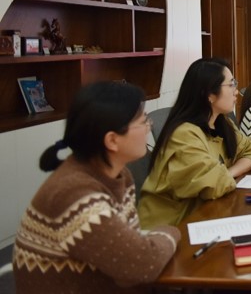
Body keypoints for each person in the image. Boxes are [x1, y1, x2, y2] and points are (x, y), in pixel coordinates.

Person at [13, 81, 180, 293]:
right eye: (143, 122)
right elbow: (141, 265)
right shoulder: (74, 194)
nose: (150, 127)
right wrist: (170, 231)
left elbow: (130, 256)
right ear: (112, 140)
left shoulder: (120, 175)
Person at [138, 58, 251, 228]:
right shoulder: (184, 134)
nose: (236, 91)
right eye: (231, 84)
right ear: (210, 94)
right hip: (170, 227)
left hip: (205, 214)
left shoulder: (222, 123)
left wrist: (229, 172)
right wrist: (226, 175)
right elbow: (214, 185)